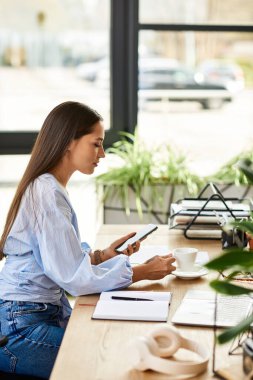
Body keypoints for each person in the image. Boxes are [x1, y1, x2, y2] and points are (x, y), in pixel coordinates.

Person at [0, 101, 176, 379]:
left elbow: (58, 262)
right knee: (111, 358)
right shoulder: (46, 192)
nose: (102, 153)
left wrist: (102, 256)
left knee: (122, 342)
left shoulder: (49, 187)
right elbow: (75, 280)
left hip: (33, 316)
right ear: (69, 142)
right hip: (20, 330)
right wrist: (142, 272)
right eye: (96, 144)